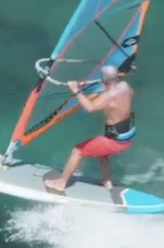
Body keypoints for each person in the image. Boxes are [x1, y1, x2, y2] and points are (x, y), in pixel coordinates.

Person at [42, 64, 135, 193]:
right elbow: (128, 94)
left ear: (102, 81)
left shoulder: (106, 97)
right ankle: (106, 181)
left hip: (114, 140)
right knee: (101, 153)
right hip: (126, 137)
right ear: (117, 77)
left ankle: (61, 183)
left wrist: (76, 90)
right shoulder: (125, 86)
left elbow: (91, 107)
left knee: (77, 150)